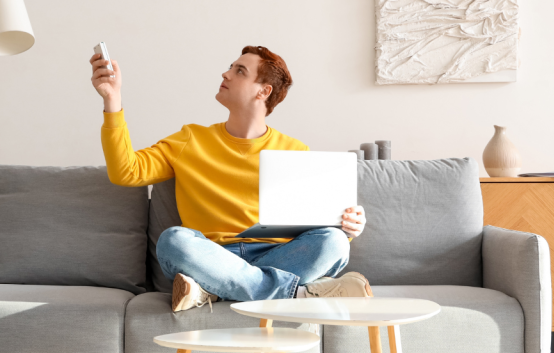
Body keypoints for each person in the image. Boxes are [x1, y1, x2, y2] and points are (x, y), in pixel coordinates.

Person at [91, 46, 371, 312]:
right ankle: (294, 293)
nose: (225, 74)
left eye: (239, 71)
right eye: (230, 68)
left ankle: (214, 291)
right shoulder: (191, 139)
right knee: (173, 239)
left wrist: (348, 225)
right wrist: (112, 100)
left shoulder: (295, 151)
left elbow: (322, 227)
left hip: (278, 257)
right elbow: (126, 171)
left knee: (333, 241)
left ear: (263, 91)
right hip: (209, 256)